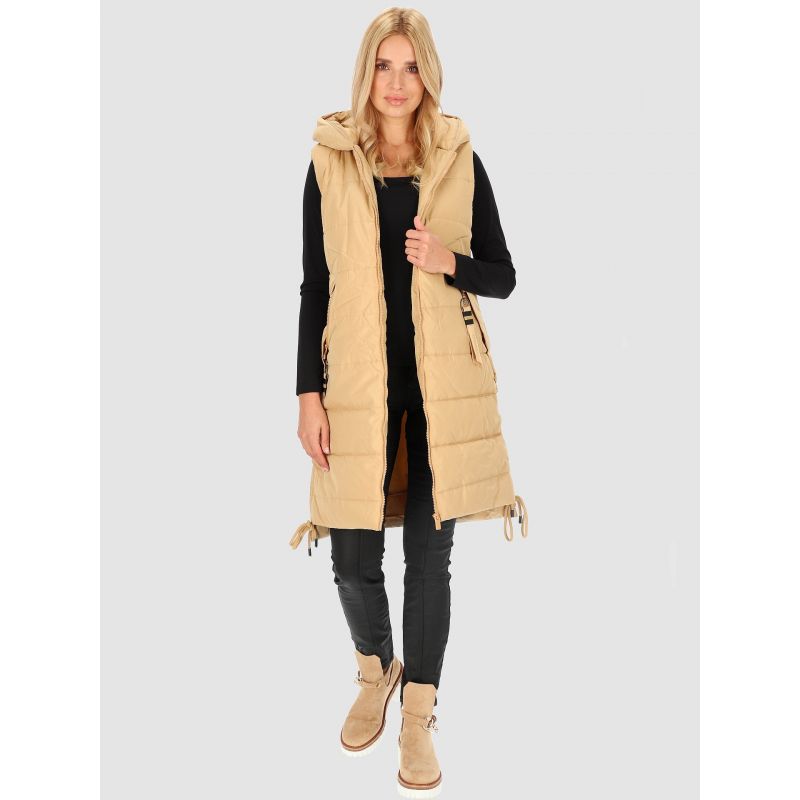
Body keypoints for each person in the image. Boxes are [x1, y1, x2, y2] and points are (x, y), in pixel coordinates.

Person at [289, 8, 528, 797]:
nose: (397, 83)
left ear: (428, 75)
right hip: (357, 394)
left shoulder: (458, 160)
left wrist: (447, 258)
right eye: (384, 67)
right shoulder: (330, 164)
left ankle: (418, 715)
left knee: (429, 562)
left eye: (411, 67)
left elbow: (502, 274)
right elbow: (314, 288)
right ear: (367, 75)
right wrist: (308, 394)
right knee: (352, 560)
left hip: (440, 397)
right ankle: (377, 671)